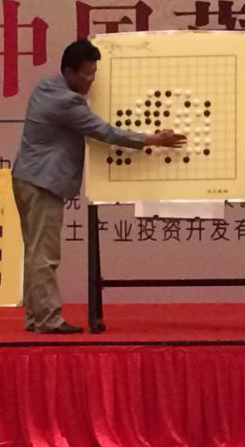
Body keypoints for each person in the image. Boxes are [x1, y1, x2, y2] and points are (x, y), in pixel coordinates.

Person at [11, 39, 186, 334]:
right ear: (69, 72)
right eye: (86, 74)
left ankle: (35, 317)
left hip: (25, 177)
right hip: (43, 183)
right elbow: (103, 131)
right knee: (45, 255)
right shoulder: (68, 102)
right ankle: (48, 320)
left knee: (33, 250)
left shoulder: (45, 86)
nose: (91, 80)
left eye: (94, 72)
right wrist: (152, 139)